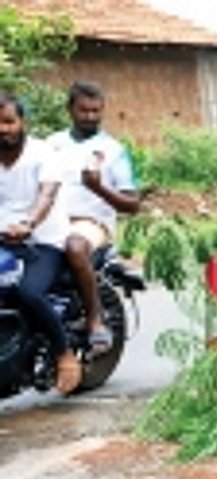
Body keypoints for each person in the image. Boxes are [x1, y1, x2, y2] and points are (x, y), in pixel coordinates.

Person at [46, 81, 140, 355]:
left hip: (91, 223)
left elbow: (132, 205)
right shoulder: (51, 144)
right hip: (50, 222)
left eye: (96, 111)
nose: (90, 116)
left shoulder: (113, 150)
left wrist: (98, 187)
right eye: (83, 110)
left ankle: (95, 319)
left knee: (75, 246)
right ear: (70, 109)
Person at [0, 92, 80, 394]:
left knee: (27, 292)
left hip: (42, 240)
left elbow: (47, 195)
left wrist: (29, 224)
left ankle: (64, 354)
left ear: (22, 122)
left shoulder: (43, 153)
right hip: (3, 240)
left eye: (9, 122)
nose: (3, 129)